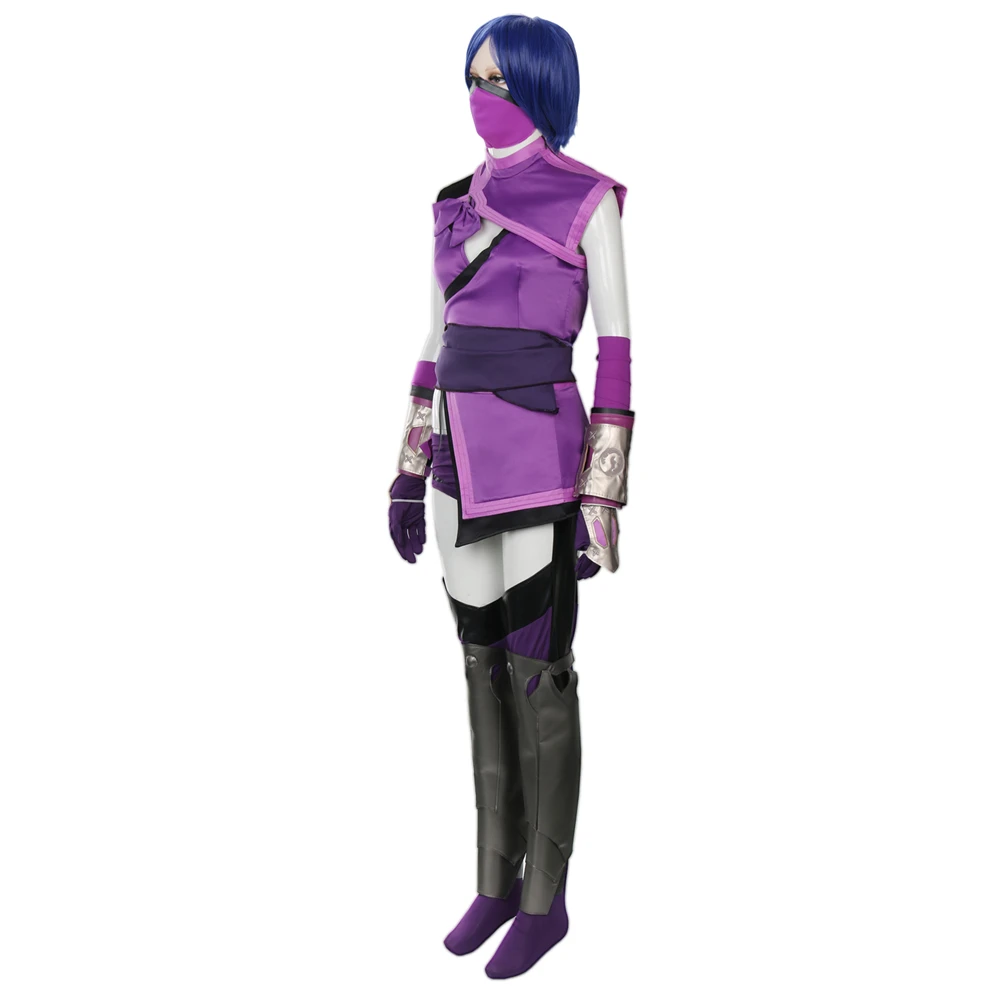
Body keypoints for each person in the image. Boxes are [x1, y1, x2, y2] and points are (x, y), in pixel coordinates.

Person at [387, 14, 634, 979]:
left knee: (541, 674)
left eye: (499, 78)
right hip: (456, 457)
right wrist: (408, 467)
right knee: (479, 667)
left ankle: (546, 899)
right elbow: (433, 336)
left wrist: (600, 501)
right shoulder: (451, 204)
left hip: (538, 457)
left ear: (542, 85)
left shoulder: (587, 200)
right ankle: (495, 881)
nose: (480, 93)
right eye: (473, 75)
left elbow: (616, 353)